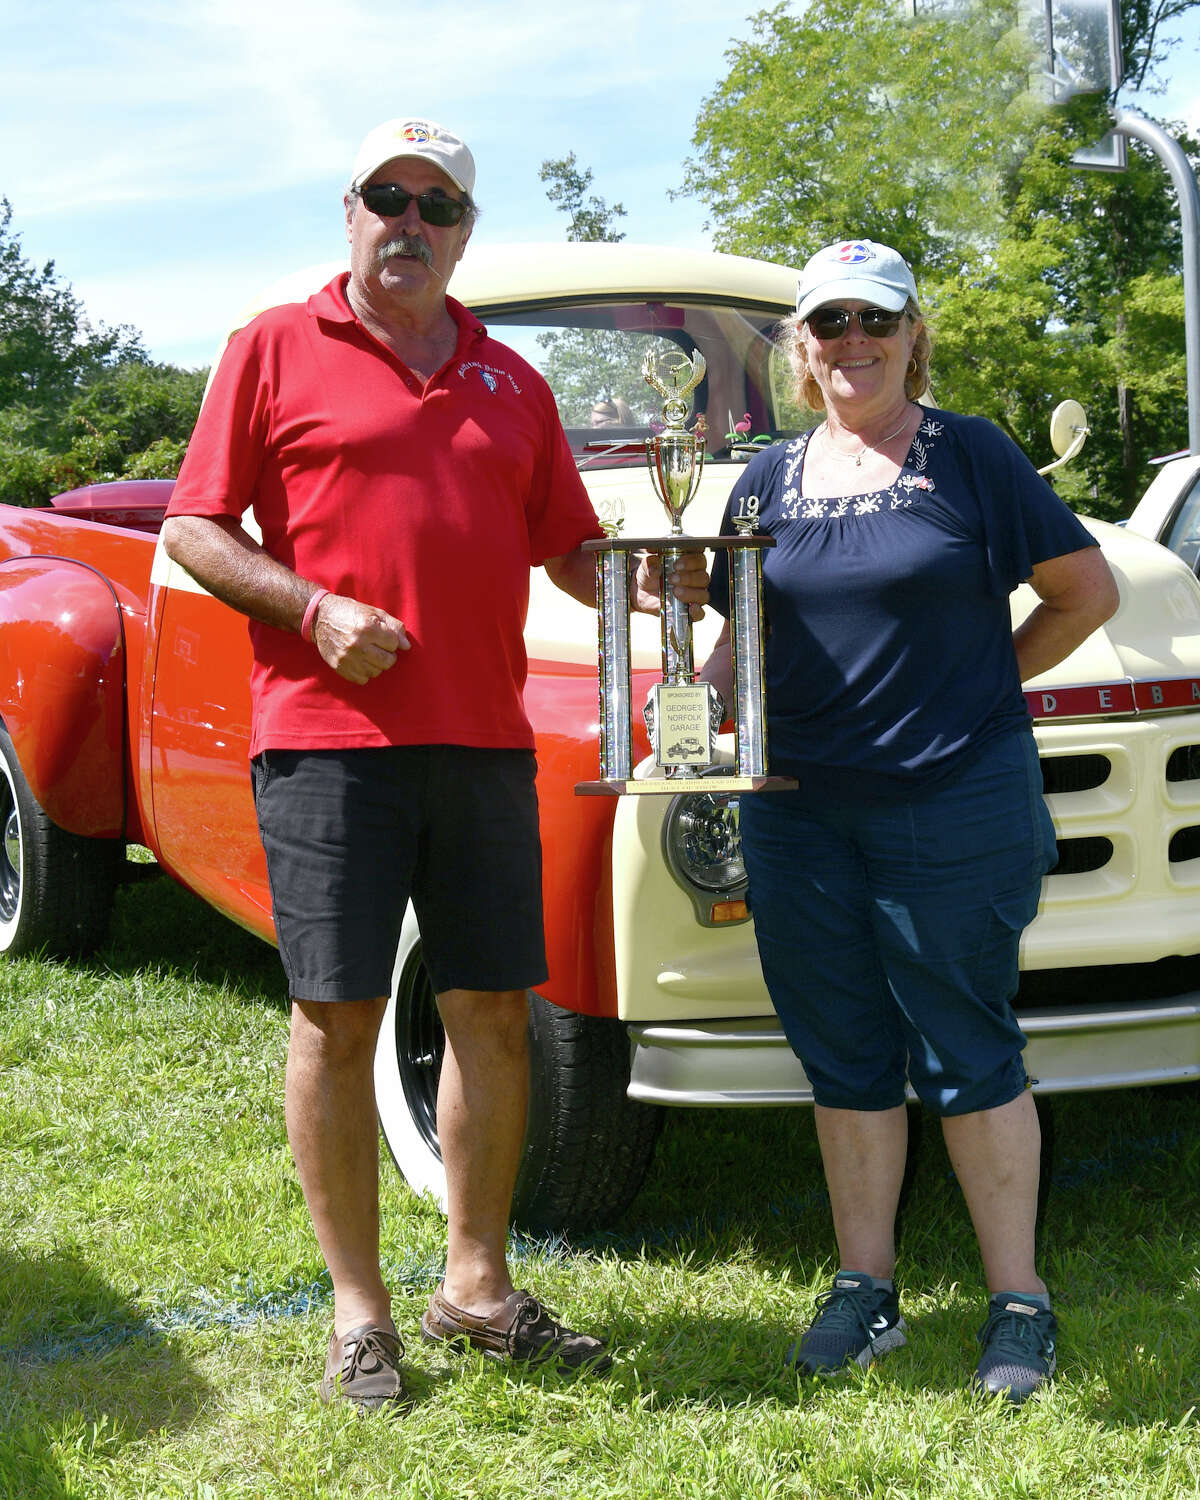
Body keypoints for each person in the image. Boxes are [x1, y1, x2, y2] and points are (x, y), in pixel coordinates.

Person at [161, 116, 706, 1412]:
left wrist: (656, 576)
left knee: (494, 1017)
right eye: (389, 197)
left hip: (480, 742)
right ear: (349, 211)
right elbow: (192, 524)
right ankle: (360, 1314)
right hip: (328, 745)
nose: (412, 221)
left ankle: (476, 1286)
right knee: (336, 1021)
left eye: (440, 205)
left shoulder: (512, 382)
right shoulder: (272, 347)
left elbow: (569, 546)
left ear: (466, 229)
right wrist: (312, 611)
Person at [701, 239, 1118, 1404]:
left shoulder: (970, 455)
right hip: (797, 813)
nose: (851, 342)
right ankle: (863, 1288)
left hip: (953, 801)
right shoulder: (764, 480)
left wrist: (984, 685)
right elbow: (743, 637)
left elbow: (1086, 592)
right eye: (827, 324)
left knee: (966, 1043)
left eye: (872, 321)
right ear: (801, 346)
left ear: (911, 334)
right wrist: (693, 701)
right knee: (841, 1050)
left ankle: (1019, 1301)